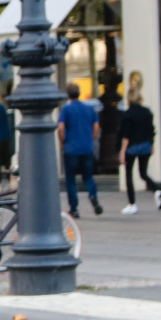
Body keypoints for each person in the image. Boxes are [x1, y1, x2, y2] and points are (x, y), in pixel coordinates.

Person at [57, 82, 103, 218]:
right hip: (86, 147)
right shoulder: (88, 108)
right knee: (88, 176)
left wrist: (62, 141)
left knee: (70, 179)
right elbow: (96, 125)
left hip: (71, 148)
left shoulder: (66, 109)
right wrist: (92, 138)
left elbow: (60, 128)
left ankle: (74, 208)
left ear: (67, 95)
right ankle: (93, 195)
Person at [118, 86, 161, 213]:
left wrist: (122, 152)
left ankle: (132, 204)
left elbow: (125, 136)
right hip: (145, 146)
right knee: (143, 173)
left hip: (132, 147)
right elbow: (151, 131)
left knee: (129, 175)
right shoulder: (147, 112)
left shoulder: (128, 114)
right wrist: (152, 145)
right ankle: (157, 190)